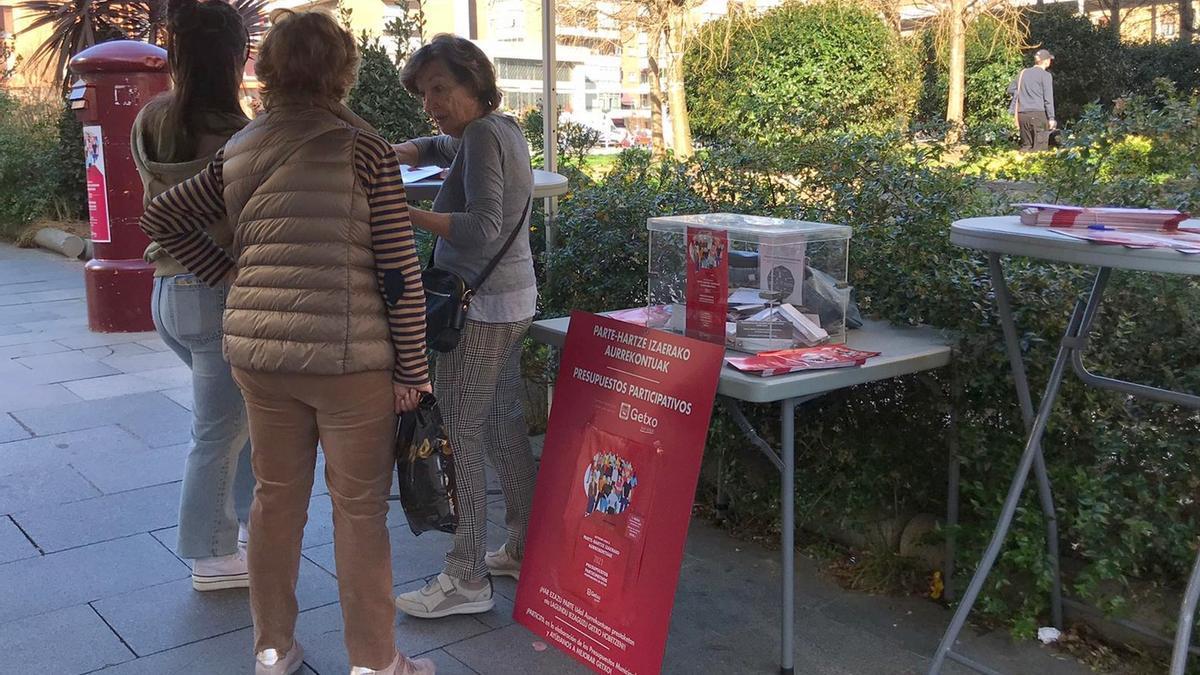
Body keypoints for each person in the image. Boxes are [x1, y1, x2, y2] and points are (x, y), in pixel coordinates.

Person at [139, 9, 434, 675]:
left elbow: (159, 216)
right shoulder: (365, 148)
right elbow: (397, 270)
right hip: (348, 358)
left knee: (275, 500)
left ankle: (273, 651)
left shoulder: (239, 149)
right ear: (342, 70)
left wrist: (231, 272)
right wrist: (413, 367)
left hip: (259, 355)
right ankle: (376, 663)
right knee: (359, 512)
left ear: (268, 70)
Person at [392, 33, 538, 618]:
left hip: (475, 310)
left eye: (441, 89)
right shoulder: (501, 129)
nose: (431, 102)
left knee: (460, 434)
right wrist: (407, 150)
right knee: (503, 427)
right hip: (512, 301)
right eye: (425, 92)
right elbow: (443, 143)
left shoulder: (479, 137)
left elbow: (481, 228)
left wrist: (401, 212)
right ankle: (524, 544)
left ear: (474, 83)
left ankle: (467, 574)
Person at [130, 0, 255, 592]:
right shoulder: (240, 135)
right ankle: (210, 555)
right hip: (216, 294)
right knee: (221, 430)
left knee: (239, 422)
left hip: (167, 294)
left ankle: (250, 527)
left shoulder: (151, 118)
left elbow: (155, 205)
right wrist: (226, 273)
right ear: (239, 58)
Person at [1008, 48, 1057, 152]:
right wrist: (1051, 118)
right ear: (1046, 61)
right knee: (1039, 151)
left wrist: (1023, 94)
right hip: (1038, 115)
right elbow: (1048, 99)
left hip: (1022, 115)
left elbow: (1010, 89)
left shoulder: (1022, 73)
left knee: (1025, 147)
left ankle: (1021, 167)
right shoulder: (1046, 76)